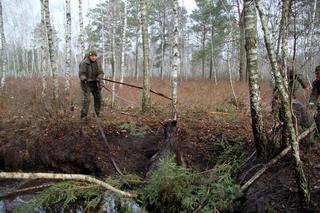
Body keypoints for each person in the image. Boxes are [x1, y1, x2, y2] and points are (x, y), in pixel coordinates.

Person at [79, 50, 104, 119]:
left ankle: (97, 113)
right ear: (89, 56)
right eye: (92, 56)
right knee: (87, 99)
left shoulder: (98, 63)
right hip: (86, 84)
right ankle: (83, 116)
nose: (93, 57)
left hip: (96, 83)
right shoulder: (84, 63)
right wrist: (84, 79)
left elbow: (101, 73)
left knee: (98, 98)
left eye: (95, 56)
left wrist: (99, 78)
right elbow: (81, 74)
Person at [309, 65, 320, 132]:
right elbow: (314, 95)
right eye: (316, 74)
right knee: (317, 118)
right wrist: (311, 105)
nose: (317, 75)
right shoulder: (316, 83)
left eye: (319, 73)